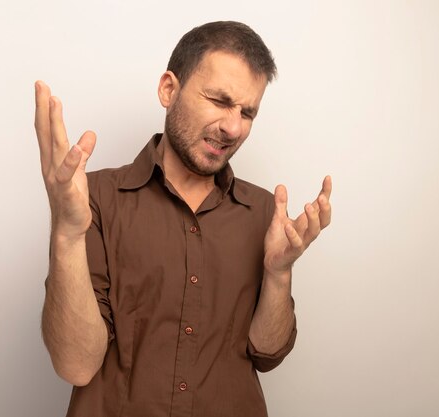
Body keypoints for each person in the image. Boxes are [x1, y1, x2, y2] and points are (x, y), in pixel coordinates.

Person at [34, 21, 332, 417]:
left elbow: (268, 353)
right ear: (169, 89)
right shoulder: (95, 200)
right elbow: (76, 363)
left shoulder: (265, 214)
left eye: (247, 112)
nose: (233, 127)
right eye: (219, 100)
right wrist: (68, 235)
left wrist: (278, 274)